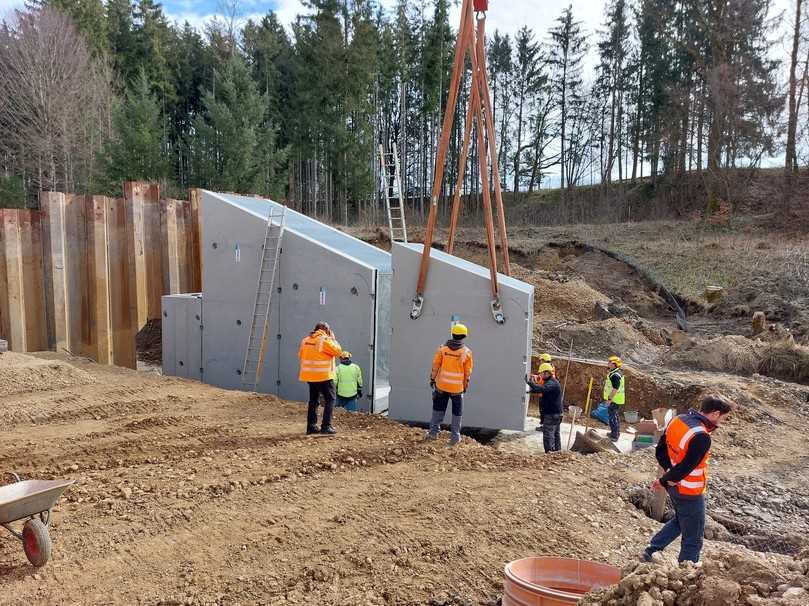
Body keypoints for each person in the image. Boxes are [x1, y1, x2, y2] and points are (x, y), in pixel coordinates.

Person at [642, 394, 734, 563]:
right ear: (714, 414)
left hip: (674, 486)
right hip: (689, 490)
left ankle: (651, 549)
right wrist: (665, 480)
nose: (722, 422)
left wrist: (667, 476)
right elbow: (686, 467)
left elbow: (661, 449)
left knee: (681, 519)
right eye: (723, 418)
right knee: (694, 535)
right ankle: (687, 568)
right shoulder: (701, 436)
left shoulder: (678, 420)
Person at [427, 323, 474, 446]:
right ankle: (454, 437)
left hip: (441, 386)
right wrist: (465, 386)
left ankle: (433, 433)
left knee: (438, 408)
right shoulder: (466, 352)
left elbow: (435, 365)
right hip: (457, 389)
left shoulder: (442, 349)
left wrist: (432, 379)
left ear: (452, 334)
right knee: (457, 412)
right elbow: (467, 373)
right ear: (464, 336)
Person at [298, 322, 342, 434]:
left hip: (309, 376)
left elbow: (301, 355)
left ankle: (311, 426)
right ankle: (326, 426)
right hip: (324, 376)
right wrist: (333, 339)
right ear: (326, 330)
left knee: (313, 401)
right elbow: (338, 352)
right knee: (330, 399)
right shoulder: (325, 340)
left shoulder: (305, 340)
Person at [525, 363, 563, 453]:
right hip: (556, 413)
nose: (540, 375)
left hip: (552, 414)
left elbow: (542, 389)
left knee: (548, 435)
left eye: (541, 373)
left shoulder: (552, 383)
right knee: (555, 434)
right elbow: (543, 389)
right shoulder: (551, 382)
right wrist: (531, 390)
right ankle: (557, 452)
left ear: (546, 373)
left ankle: (549, 453)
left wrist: (530, 383)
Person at [601, 355, 626, 441]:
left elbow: (615, 389)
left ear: (614, 364)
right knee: (614, 416)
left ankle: (615, 435)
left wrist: (609, 399)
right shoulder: (616, 372)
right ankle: (614, 432)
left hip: (614, 400)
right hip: (616, 399)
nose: (608, 363)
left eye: (609, 362)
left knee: (613, 417)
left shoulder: (615, 375)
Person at [532, 353, 557, 430]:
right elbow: (542, 378)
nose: (540, 362)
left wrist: (535, 382)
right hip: (544, 393)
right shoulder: (550, 369)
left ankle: (544, 426)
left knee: (543, 410)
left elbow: (543, 381)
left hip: (544, 394)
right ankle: (544, 425)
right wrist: (537, 377)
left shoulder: (548, 370)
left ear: (544, 360)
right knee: (543, 410)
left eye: (541, 360)